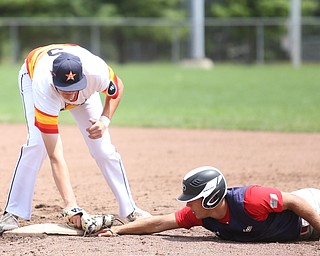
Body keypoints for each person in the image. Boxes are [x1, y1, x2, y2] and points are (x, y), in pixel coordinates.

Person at [0, 43, 151, 233]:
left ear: (83, 78)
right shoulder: (43, 87)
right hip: (33, 72)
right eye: (64, 88)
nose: (69, 93)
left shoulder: (96, 72)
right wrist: (70, 205)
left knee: (103, 148)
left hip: (85, 94)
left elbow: (117, 87)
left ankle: (130, 209)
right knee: (37, 145)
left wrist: (105, 120)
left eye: (74, 86)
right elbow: (56, 155)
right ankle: (12, 212)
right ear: (54, 79)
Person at [95, 166, 320, 242]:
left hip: (313, 207)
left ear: (210, 198)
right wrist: (117, 230)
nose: (188, 206)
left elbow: (292, 200)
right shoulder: (203, 216)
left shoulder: (250, 198)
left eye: (192, 200)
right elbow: (158, 224)